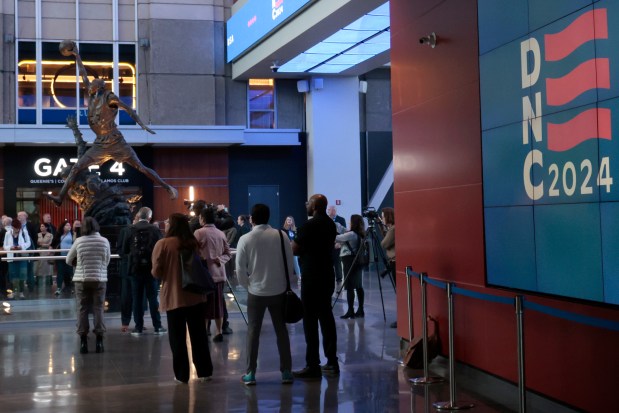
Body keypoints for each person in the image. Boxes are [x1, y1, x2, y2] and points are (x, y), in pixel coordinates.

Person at [46, 41, 178, 206]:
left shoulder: (109, 98)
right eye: (91, 84)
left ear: (100, 87)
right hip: (100, 143)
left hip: (115, 141)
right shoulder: (92, 94)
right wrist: (77, 55)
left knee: (141, 168)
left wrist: (142, 125)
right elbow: (82, 73)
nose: (90, 85)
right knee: (76, 167)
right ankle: (60, 198)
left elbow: (129, 109)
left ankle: (167, 187)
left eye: (95, 84)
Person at [236, 204, 295, 385]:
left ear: (251, 219)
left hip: (256, 292)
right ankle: (286, 371)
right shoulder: (281, 235)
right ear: (268, 217)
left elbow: (239, 270)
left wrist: (249, 286)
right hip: (278, 290)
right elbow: (290, 262)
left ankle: (251, 373)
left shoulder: (245, 239)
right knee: (281, 331)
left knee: (253, 332)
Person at [151, 213, 213, 384]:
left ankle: (181, 374)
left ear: (171, 225)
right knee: (199, 335)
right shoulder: (193, 243)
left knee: (177, 338)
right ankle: (205, 371)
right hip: (195, 295)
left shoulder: (163, 244)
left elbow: (156, 272)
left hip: (174, 297)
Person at [292, 194, 339, 379]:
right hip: (327, 275)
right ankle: (332, 361)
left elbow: (294, 248)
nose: (306, 204)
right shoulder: (330, 224)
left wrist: (304, 249)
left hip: (311, 276)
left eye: (309, 202)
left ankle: (312, 365)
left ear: (315, 206)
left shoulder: (308, 225)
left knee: (310, 321)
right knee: (327, 317)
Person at [66, 217, 110, 354]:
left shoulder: (79, 241)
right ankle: (99, 342)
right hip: (99, 280)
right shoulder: (104, 241)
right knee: (98, 308)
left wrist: (78, 264)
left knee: (82, 309)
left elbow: (68, 259)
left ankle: (83, 342)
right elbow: (107, 260)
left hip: (81, 279)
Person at [122, 206, 166, 335]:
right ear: (149, 217)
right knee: (153, 298)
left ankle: (138, 327)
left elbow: (124, 250)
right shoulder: (155, 230)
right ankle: (157, 326)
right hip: (151, 269)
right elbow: (160, 249)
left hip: (135, 269)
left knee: (136, 298)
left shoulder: (130, 230)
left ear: (138, 216)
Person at [194, 206, 231, 342]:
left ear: (202, 218)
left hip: (204, 275)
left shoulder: (198, 233)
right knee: (218, 305)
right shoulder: (221, 233)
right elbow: (228, 254)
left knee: (203, 305)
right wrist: (219, 260)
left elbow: (193, 253)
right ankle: (219, 331)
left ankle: (204, 332)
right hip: (219, 275)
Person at [336, 214, 366, 319]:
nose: (349, 222)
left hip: (349, 261)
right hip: (358, 261)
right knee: (358, 285)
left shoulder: (351, 234)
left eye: (350, 221)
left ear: (353, 223)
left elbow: (337, 238)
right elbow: (345, 234)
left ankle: (350, 311)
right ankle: (361, 309)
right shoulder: (361, 234)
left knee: (349, 286)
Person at [116, 214, 138, 332]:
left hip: (136, 268)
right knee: (126, 296)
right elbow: (120, 249)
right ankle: (125, 321)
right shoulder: (125, 231)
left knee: (137, 297)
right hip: (127, 268)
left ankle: (138, 321)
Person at [3, 219, 31, 299]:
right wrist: (10, 248)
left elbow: (28, 242)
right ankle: (14, 292)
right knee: (13, 275)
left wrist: (21, 247)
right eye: (15, 228)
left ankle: (21, 292)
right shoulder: (8, 233)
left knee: (22, 275)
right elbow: (5, 246)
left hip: (21, 257)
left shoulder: (24, 232)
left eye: (18, 228)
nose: (17, 230)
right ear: (12, 227)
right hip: (12, 257)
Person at [379, 207, 396, 328]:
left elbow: (384, 244)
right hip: (393, 262)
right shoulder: (392, 228)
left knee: (398, 291)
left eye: (383, 216)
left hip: (395, 262)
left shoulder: (393, 229)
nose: (382, 218)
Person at [52, 220, 74, 295]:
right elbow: (53, 243)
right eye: (67, 225)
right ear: (63, 227)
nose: (69, 227)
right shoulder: (59, 234)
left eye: (69, 225)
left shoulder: (73, 234)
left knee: (70, 272)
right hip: (60, 256)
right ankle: (59, 288)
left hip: (70, 257)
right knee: (60, 272)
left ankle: (70, 287)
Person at [17, 211, 37, 292]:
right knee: (20, 268)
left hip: (29, 250)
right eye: (18, 216)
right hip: (19, 251)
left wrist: (33, 250)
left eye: (21, 216)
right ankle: (20, 288)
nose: (19, 217)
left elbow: (34, 238)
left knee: (29, 268)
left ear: (25, 217)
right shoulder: (16, 226)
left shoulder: (31, 226)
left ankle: (31, 286)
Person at [327, 205, 346, 282]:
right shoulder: (326, 219)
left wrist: (339, 243)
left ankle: (339, 278)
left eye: (329, 210)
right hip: (328, 244)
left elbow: (343, 233)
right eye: (328, 210)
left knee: (337, 262)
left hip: (337, 244)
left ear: (334, 211)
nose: (328, 211)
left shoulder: (341, 219)